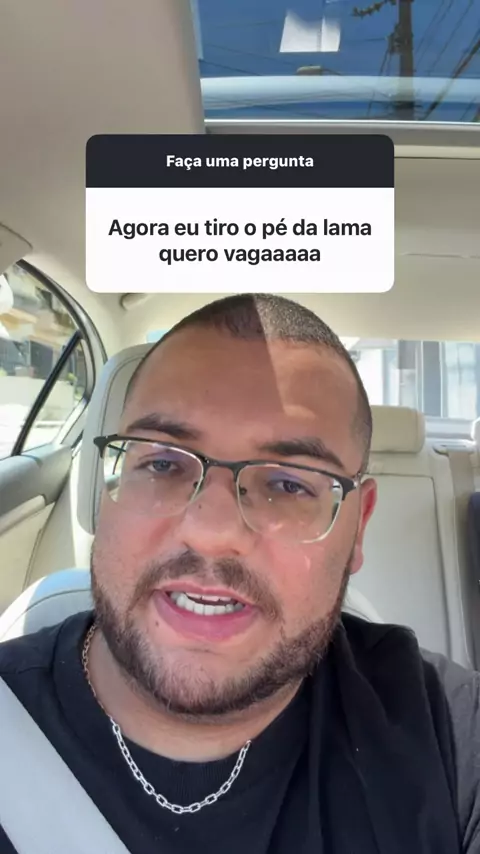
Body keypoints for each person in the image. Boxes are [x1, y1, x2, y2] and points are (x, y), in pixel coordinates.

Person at [0, 293, 479, 854]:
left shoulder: (447, 732)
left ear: (358, 527)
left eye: (289, 484)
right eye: (161, 463)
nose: (211, 531)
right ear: (108, 490)